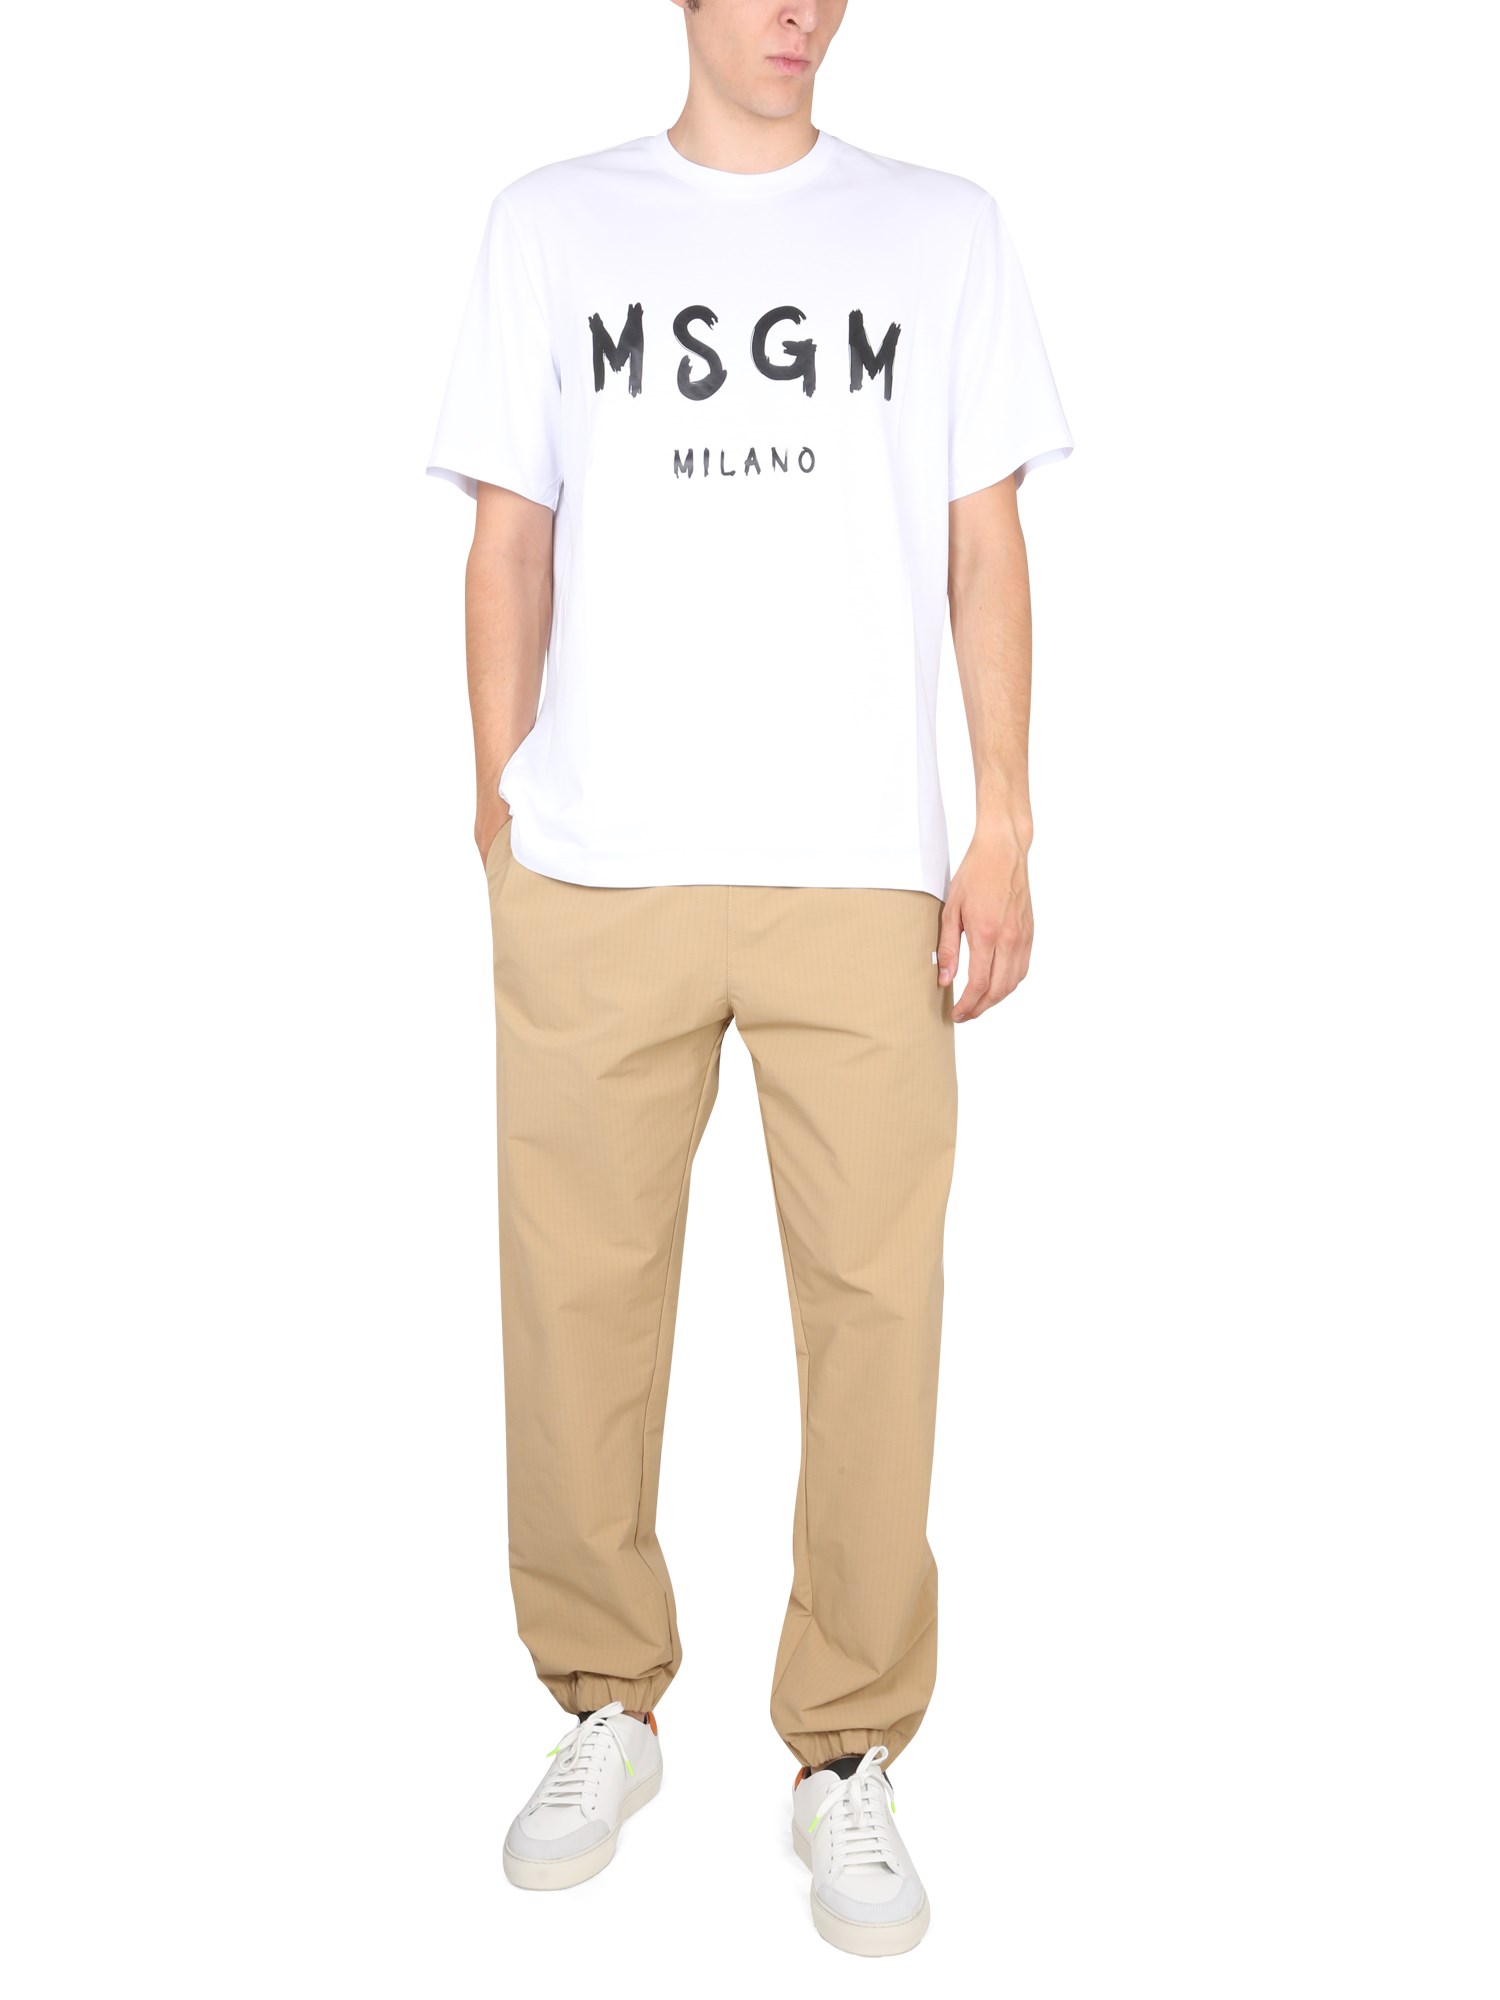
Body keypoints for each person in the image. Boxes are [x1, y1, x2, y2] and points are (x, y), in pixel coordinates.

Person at [427, 0, 1070, 1958]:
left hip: (856, 861)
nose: (803, 11)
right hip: (597, 862)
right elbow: (509, 539)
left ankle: (845, 1748)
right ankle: (604, 1704)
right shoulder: (551, 224)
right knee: (574, 1296)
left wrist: (1002, 825)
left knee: (878, 1306)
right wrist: (498, 810)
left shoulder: (941, 228)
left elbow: (983, 545)